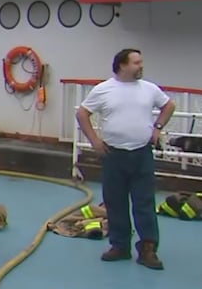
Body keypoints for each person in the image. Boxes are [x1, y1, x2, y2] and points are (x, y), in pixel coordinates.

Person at [75, 48, 175, 269]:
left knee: (144, 201)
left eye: (141, 62)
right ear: (122, 65)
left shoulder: (149, 89)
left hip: (141, 154)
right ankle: (120, 246)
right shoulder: (103, 90)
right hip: (114, 155)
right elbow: (82, 114)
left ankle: (148, 248)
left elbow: (169, 105)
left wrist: (158, 127)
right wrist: (94, 141)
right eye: (136, 62)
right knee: (115, 201)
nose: (141, 66)